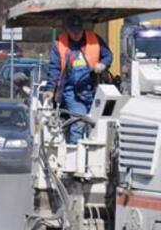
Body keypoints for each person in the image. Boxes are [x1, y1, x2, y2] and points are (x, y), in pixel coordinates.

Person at [45, 14, 113, 143]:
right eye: (72, 31)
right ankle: (75, 155)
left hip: (93, 89)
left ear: (82, 29)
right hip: (71, 91)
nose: (76, 34)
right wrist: (50, 89)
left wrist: (103, 64)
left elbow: (108, 56)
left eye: (78, 31)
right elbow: (54, 68)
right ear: (67, 30)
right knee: (79, 122)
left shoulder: (94, 39)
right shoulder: (59, 44)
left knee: (95, 124)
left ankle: (93, 157)